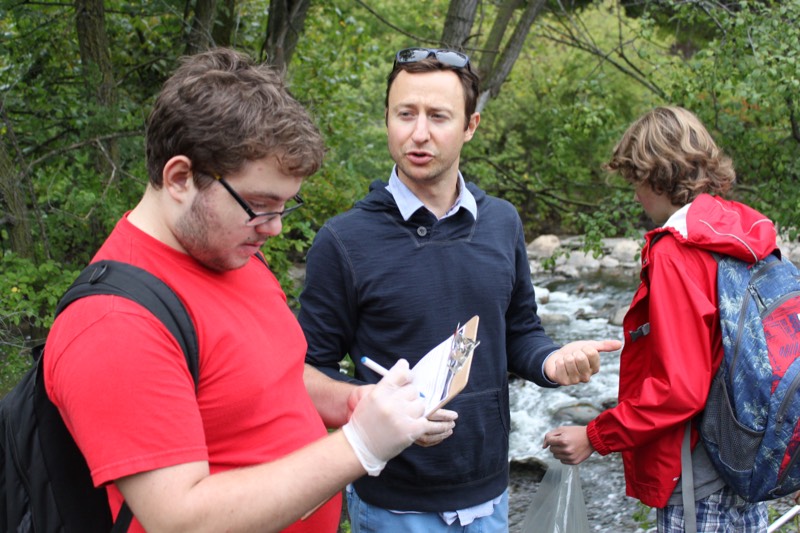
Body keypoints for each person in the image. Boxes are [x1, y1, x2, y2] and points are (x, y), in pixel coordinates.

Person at [43, 48, 442, 533]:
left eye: (283, 207)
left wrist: (353, 403)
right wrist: (358, 445)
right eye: (260, 205)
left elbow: (271, 376)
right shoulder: (114, 324)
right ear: (180, 178)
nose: (273, 229)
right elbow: (180, 520)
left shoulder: (230, 250)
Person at [297, 47, 622, 532]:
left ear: (470, 126)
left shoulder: (501, 224)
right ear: (387, 118)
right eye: (405, 114)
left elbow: (519, 331)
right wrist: (375, 411)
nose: (419, 133)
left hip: (490, 495)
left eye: (439, 117)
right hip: (392, 504)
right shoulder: (343, 241)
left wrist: (550, 362)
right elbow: (306, 374)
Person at [543, 106, 770, 531]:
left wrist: (594, 437)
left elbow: (679, 390)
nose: (634, 195)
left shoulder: (676, 252)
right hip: (750, 458)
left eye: (635, 181)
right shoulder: (745, 230)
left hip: (699, 474)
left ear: (657, 174)